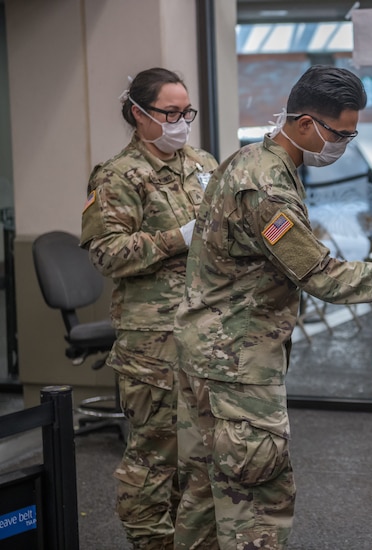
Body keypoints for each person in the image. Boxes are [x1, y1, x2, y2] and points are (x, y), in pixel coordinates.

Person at [172, 65, 372, 549]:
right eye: (341, 135)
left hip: (206, 355)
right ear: (306, 123)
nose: (344, 146)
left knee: (205, 496)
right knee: (256, 501)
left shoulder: (248, 160)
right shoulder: (268, 189)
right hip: (237, 364)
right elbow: (322, 277)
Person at [80, 67, 218, 549]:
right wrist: (174, 238)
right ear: (139, 114)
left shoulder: (201, 162)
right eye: (170, 113)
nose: (182, 122)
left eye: (187, 112)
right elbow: (106, 254)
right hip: (152, 345)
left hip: (204, 334)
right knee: (154, 462)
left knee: (199, 459)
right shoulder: (119, 175)